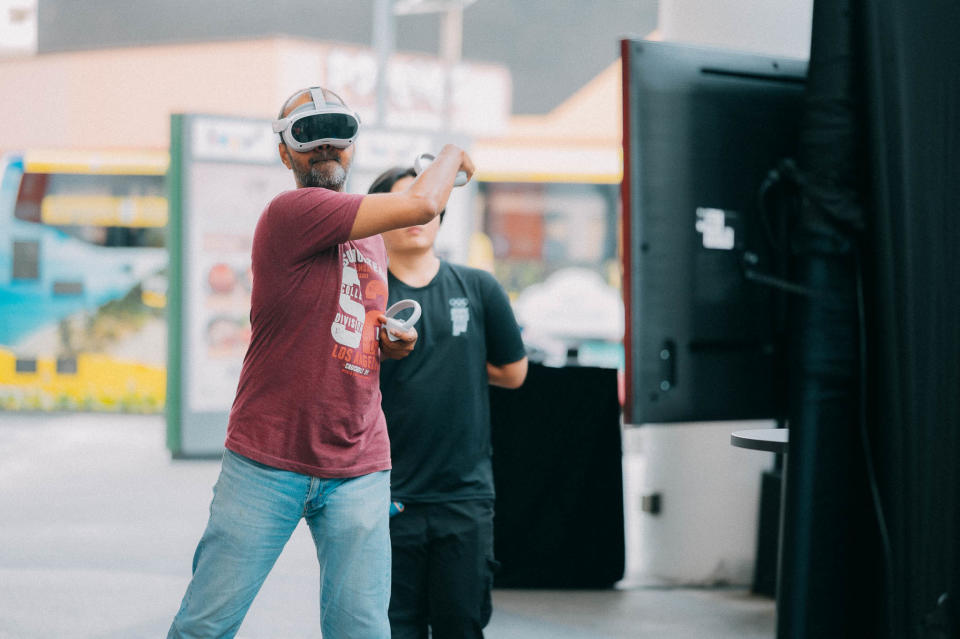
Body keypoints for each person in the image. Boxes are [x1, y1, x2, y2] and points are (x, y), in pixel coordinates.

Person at [168, 87, 475, 639]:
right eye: (308, 137)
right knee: (205, 627)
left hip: (359, 461)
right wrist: (450, 154)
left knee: (362, 632)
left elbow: (358, 327)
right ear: (285, 153)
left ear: (353, 147)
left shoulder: (372, 239)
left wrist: (389, 343)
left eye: (339, 134)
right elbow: (426, 203)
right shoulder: (292, 211)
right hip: (269, 457)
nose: (326, 148)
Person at [368, 167, 528, 638]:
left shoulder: (478, 288)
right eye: (403, 203)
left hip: (464, 496)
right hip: (383, 495)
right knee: (395, 628)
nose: (417, 213)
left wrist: (455, 358)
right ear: (378, 218)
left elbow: (515, 372)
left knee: (462, 624)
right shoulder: (365, 296)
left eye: (426, 201)